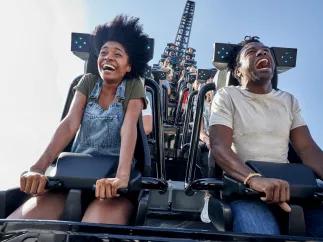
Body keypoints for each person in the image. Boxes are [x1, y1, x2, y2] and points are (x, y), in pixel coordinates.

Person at [7, 15, 151, 225]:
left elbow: (129, 129)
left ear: (129, 66)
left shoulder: (133, 85)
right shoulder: (88, 82)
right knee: (23, 225)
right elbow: (70, 123)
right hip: (73, 172)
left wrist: (120, 177)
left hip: (110, 176)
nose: (108, 57)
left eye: (117, 54)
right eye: (104, 52)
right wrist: (38, 168)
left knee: (96, 228)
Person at [209, 36, 323, 236]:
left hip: (290, 187)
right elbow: (220, 146)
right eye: (251, 52)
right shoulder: (227, 96)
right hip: (246, 190)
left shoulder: (289, 101)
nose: (262, 52)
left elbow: (307, 149)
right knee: (259, 233)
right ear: (238, 71)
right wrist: (254, 179)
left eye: (266, 51)